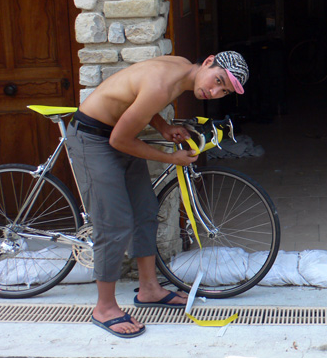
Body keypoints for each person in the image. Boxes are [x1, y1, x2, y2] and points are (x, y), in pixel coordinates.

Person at [64, 51, 248, 338]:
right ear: (208, 62)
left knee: (145, 210)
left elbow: (139, 102)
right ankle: (104, 308)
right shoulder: (163, 83)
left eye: (223, 91)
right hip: (94, 138)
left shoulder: (181, 69)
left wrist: (163, 127)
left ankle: (149, 289)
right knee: (115, 224)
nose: (213, 92)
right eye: (217, 81)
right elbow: (120, 139)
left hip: (117, 135)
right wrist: (171, 159)